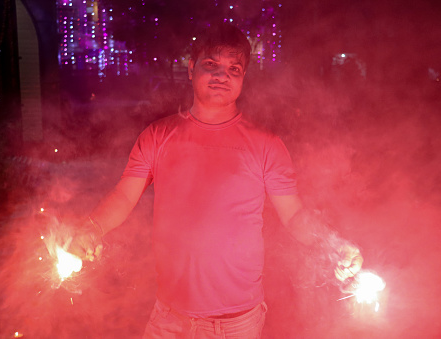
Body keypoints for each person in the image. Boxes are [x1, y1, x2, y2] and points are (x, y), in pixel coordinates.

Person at [71, 23, 363, 338]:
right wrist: (92, 228)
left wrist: (335, 244)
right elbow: (124, 197)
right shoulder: (157, 136)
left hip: (234, 323)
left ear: (243, 78)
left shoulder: (265, 144)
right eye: (211, 65)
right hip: (168, 318)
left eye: (234, 69)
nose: (222, 75)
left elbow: (294, 215)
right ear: (191, 69)